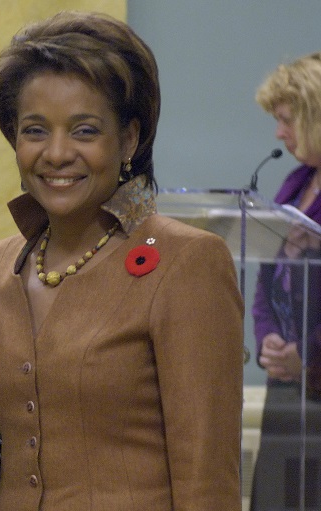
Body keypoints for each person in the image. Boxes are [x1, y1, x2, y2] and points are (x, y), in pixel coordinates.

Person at [0, 10, 244, 510]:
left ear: (129, 140)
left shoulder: (187, 262)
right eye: (35, 130)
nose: (56, 153)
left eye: (84, 131)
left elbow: (208, 481)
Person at [249, 51, 321, 510]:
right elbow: (265, 282)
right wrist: (268, 339)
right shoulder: (295, 184)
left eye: (286, 119)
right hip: (286, 390)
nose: (279, 132)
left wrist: (310, 361)